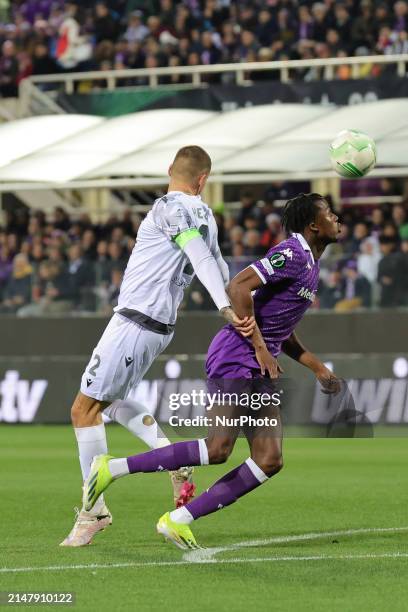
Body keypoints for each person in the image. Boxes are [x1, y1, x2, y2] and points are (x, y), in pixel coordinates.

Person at [82, 193, 342, 550]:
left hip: (258, 361)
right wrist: (261, 349)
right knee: (218, 447)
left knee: (269, 459)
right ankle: (111, 469)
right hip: (237, 354)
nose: (336, 216)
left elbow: (280, 324)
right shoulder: (293, 253)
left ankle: (177, 520)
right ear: (314, 225)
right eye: (329, 213)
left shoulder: (310, 264)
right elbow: (237, 287)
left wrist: (317, 367)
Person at [61, 145, 254, 547]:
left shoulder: (170, 208)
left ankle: (92, 510)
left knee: (84, 410)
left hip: (135, 320)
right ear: (203, 180)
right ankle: (173, 460)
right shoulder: (207, 215)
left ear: (171, 170)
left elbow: (200, 256)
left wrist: (223, 307)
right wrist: (236, 303)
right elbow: (220, 267)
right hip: (155, 326)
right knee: (112, 402)